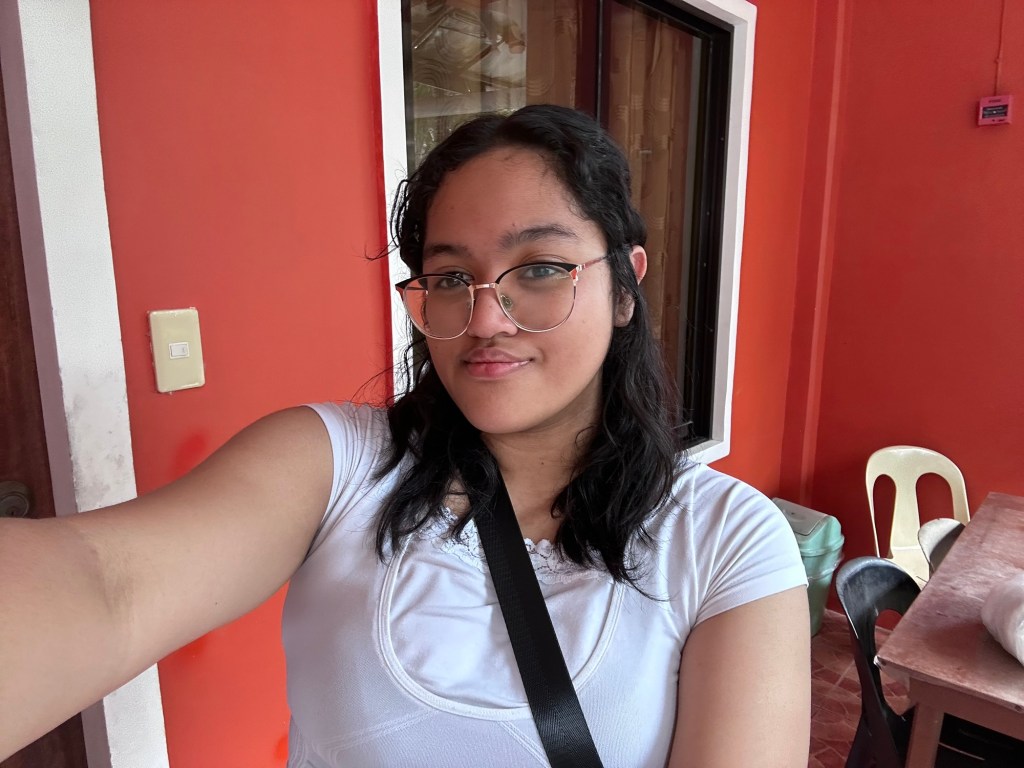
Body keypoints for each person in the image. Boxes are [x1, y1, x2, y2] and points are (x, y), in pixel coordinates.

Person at [0, 105, 810, 767]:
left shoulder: (725, 539)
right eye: (451, 278)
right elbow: (107, 586)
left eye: (539, 268)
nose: (485, 319)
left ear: (625, 287)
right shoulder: (336, 464)